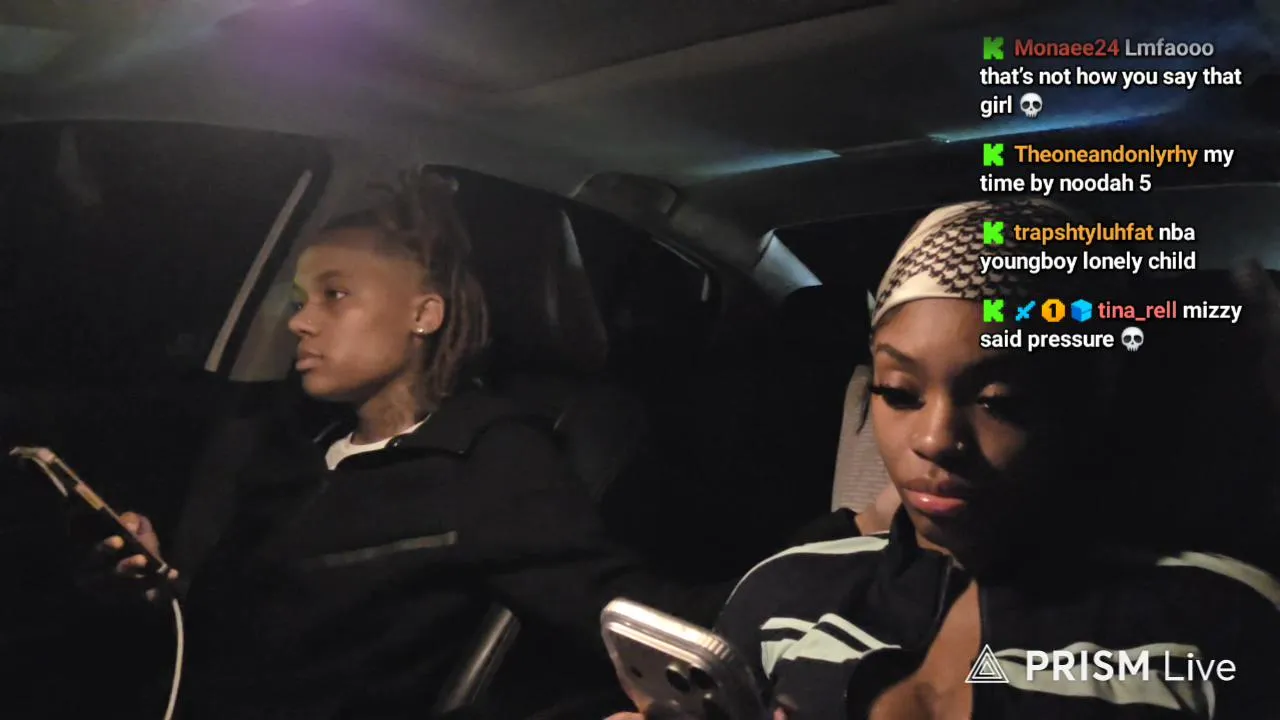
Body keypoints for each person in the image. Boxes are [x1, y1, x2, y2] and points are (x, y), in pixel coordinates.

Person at [88, 169, 752, 719]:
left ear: (423, 314)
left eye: (334, 295)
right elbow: (248, 620)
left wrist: (805, 574)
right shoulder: (300, 446)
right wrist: (161, 588)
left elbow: (622, 607)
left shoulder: (484, 458)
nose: (300, 322)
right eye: (299, 300)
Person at [610, 198, 1280, 720]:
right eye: (899, 392)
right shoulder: (782, 592)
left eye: (999, 400)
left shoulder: (1220, 621)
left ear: (1085, 404)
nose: (934, 439)